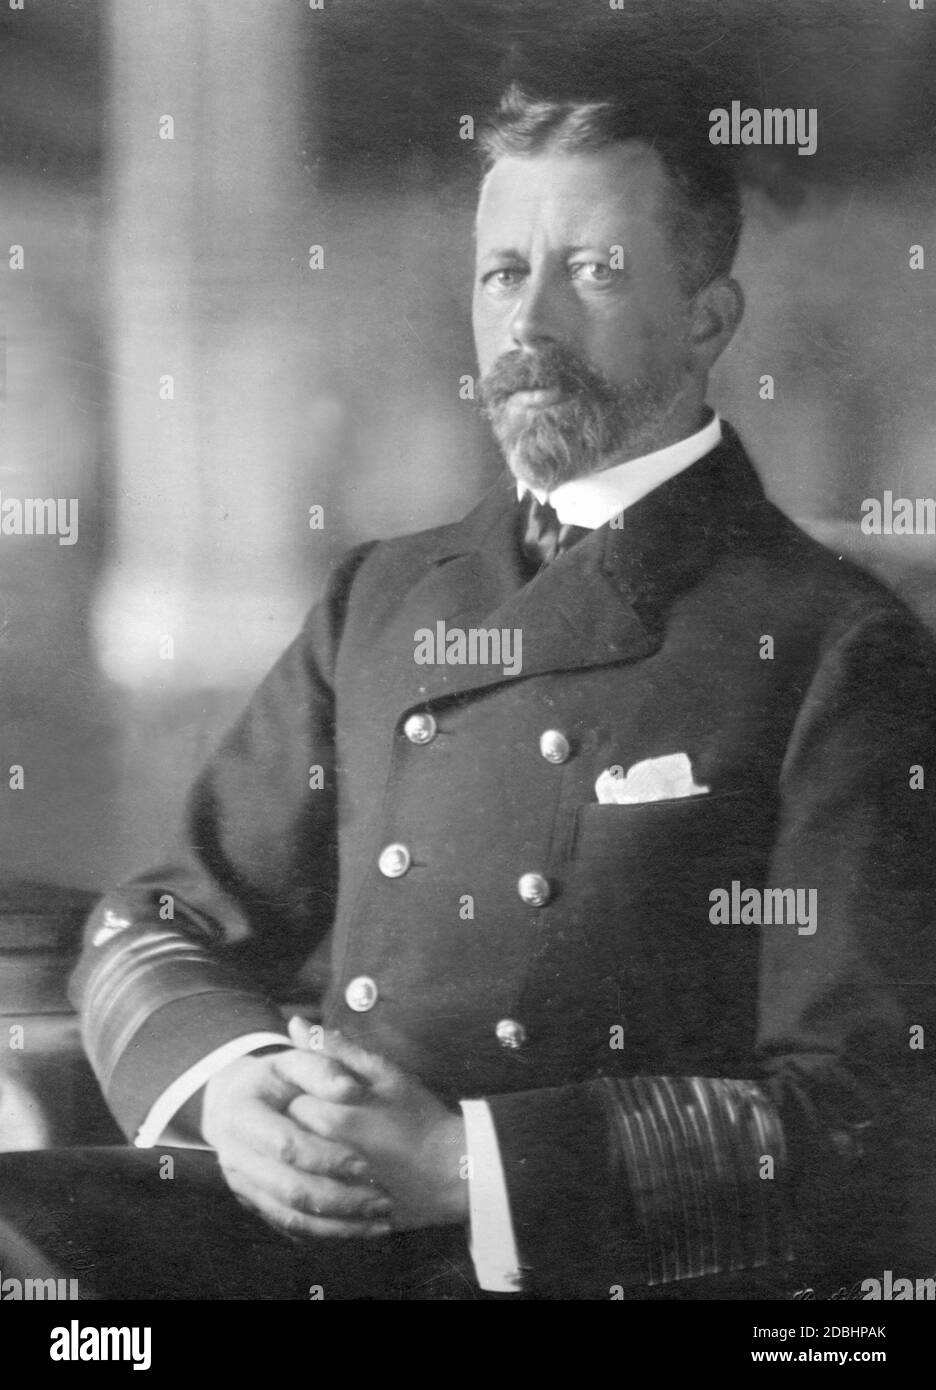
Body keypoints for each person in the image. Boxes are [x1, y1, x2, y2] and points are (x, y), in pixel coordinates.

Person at [1, 84, 935, 1301]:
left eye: (592, 270)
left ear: (709, 317)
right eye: (502, 274)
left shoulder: (833, 642)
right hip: (312, 1226)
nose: (529, 324)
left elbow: (870, 1113)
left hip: (586, 1258)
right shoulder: (382, 599)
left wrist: (460, 1167)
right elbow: (164, 919)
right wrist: (233, 1090)